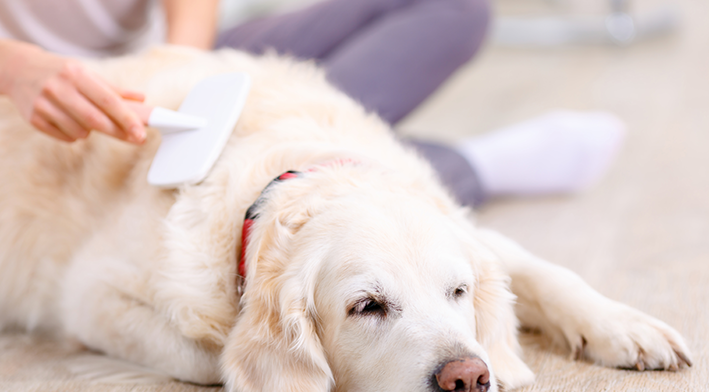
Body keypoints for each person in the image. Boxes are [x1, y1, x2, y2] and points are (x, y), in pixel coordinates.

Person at [0, 0, 625, 206]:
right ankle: (472, 165)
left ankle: (272, 161)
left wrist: (185, 66)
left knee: (453, 7)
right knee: (228, 203)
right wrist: (18, 67)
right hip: (28, 115)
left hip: (168, 60)